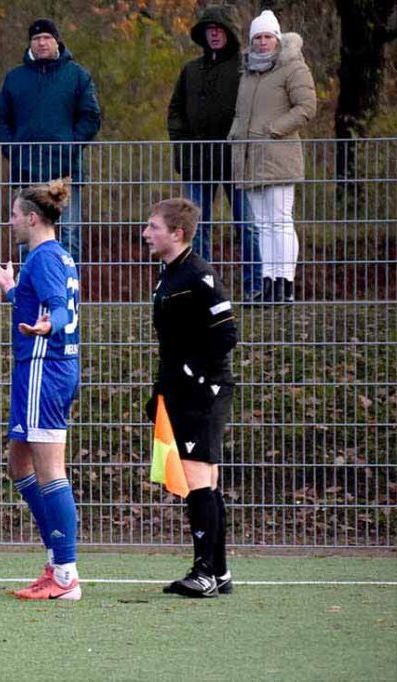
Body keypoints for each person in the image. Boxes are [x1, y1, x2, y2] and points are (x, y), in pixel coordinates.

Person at [0, 181, 83, 601]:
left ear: (31, 218)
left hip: (45, 369)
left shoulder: (44, 257)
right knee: (18, 463)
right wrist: (10, 287)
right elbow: (42, 302)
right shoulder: (55, 255)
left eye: (13, 215)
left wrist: (51, 324)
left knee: (48, 470)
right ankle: (56, 560)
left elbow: (57, 305)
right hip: (43, 368)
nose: (9, 222)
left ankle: (64, 574)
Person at [142, 198, 237, 597]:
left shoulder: (200, 276)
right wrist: (161, 390)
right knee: (205, 481)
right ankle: (219, 570)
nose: (146, 234)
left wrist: (194, 375)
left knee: (199, 479)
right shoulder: (168, 276)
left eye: (153, 227)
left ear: (177, 233)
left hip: (203, 391)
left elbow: (226, 335)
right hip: (179, 391)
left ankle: (204, 572)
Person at [168, 4, 261, 301]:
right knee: (196, 228)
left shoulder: (246, 69)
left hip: (236, 161)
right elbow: (175, 111)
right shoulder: (190, 71)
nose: (214, 35)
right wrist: (183, 144)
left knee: (246, 225)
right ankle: (203, 288)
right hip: (197, 163)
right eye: (210, 30)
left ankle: (254, 288)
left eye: (219, 30)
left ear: (230, 33)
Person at [0, 18, 101, 264]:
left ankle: (69, 293)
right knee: (26, 234)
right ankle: (29, 293)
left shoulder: (77, 76)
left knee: (69, 233)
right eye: (36, 39)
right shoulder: (14, 78)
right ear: (30, 43)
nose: (42, 43)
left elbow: (91, 117)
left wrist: (70, 146)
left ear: (57, 41)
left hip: (65, 173)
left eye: (47, 38)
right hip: (26, 171)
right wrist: (14, 149)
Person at [229, 10, 316, 304]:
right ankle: (268, 283)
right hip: (250, 159)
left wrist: (274, 130)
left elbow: (306, 107)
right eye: (258, 37)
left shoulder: (293, 67)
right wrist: (236, 135)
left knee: (280, 220)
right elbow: (242, 114)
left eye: (267, 37)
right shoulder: (249, 72)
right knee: (262, 224)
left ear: (277, 39)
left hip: (279, 156)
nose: (263, 42)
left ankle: (285, 283)